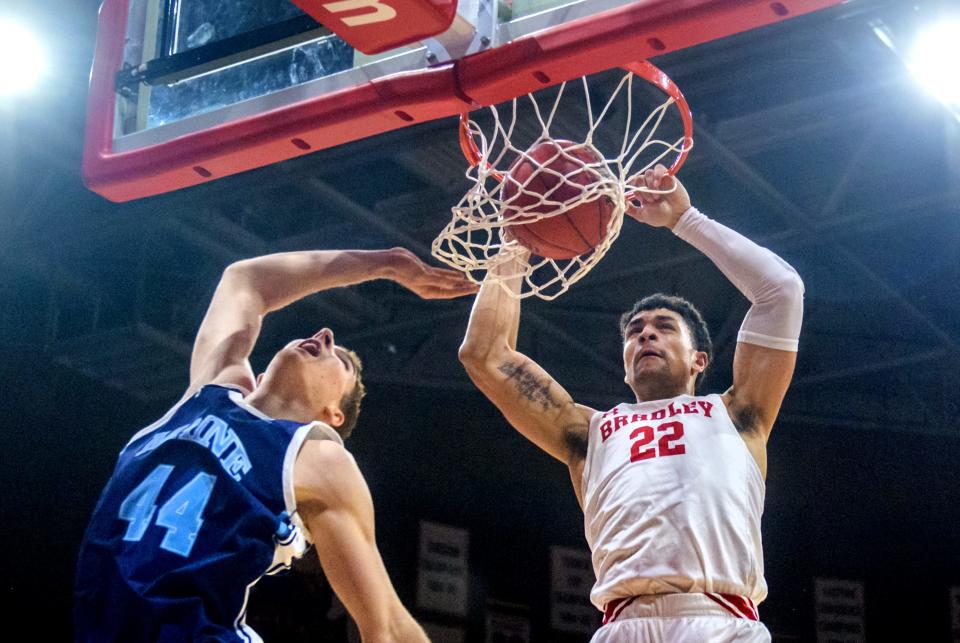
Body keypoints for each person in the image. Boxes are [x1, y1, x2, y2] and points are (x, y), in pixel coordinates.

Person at [458, 164, 804, 642]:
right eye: (635, 331)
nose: (645, 333)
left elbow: (781, 291)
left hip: (723, 622)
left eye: (663, 326)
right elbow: (485, 355)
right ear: (624, 366)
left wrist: (687, 221)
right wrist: (519, 238)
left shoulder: (738, 414)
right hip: (622, 625)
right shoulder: (589, 433)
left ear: (699, 359)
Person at [75, 247, 477, 642]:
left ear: (333, 414)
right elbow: (245, 280)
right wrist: (385, 263)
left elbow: (386, 627)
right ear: (263, 371)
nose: (325, 335)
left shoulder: (317, 456)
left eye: (343, 362)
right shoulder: (208, 392)